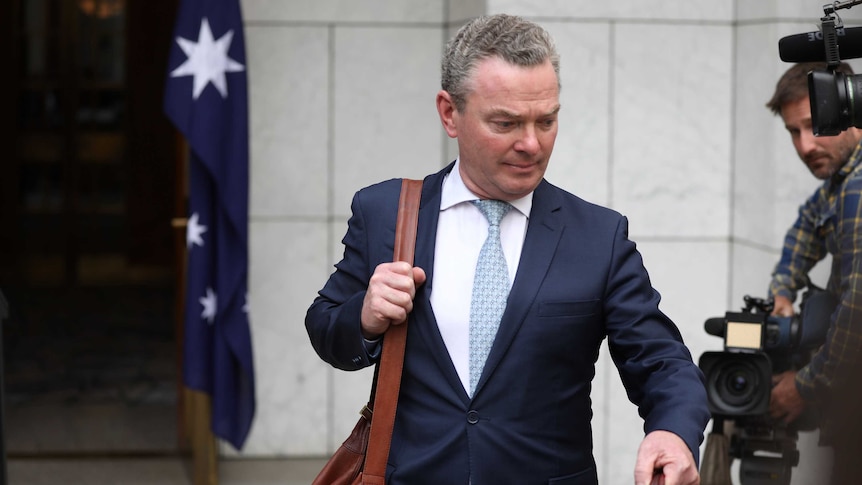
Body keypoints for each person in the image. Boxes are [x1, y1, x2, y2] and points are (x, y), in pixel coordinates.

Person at [306, 14, 709, 485]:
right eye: (506, 122)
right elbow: (326, 326)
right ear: (449, 113)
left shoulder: (599, 236)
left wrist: (673, 432)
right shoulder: (385, 211)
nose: (531, 143)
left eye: (547, 120)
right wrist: (366, 317)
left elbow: (661, 360)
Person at [765, 61, 862, 485]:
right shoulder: (842, 183)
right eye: (793, 132)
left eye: (813, 126)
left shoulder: (859, 188)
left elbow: (857, 310)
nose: (805, 146)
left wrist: (805, 385)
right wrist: (781, 291)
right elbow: (806, 227)